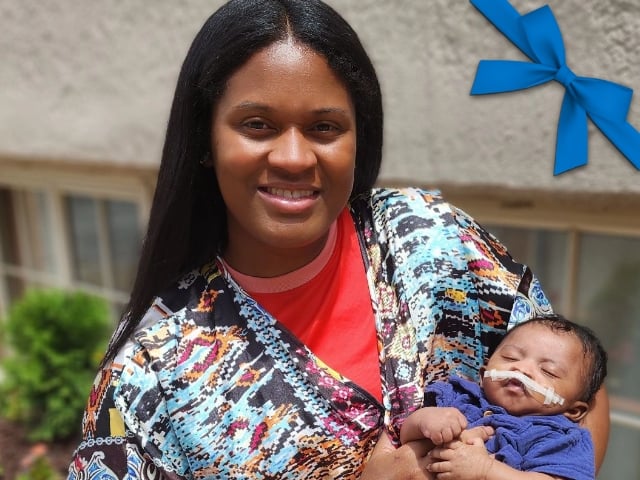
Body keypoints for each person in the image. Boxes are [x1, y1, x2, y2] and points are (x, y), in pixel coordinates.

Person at [67, 1, 610, 478]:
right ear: (205, 138)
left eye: (325, 127)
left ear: (359, 136)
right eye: (256, 124)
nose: (295, 157)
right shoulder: (153, 365)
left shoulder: (426, 236)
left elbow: (579, 386)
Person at [400, 315, 607, 479]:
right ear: (483, 374)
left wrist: (486, 470)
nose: (522, 368)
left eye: (548, 371)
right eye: (511, 357)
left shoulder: (559, 438)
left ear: (574, 410)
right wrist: (424, 421)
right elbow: (403, 433)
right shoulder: (456, 396)